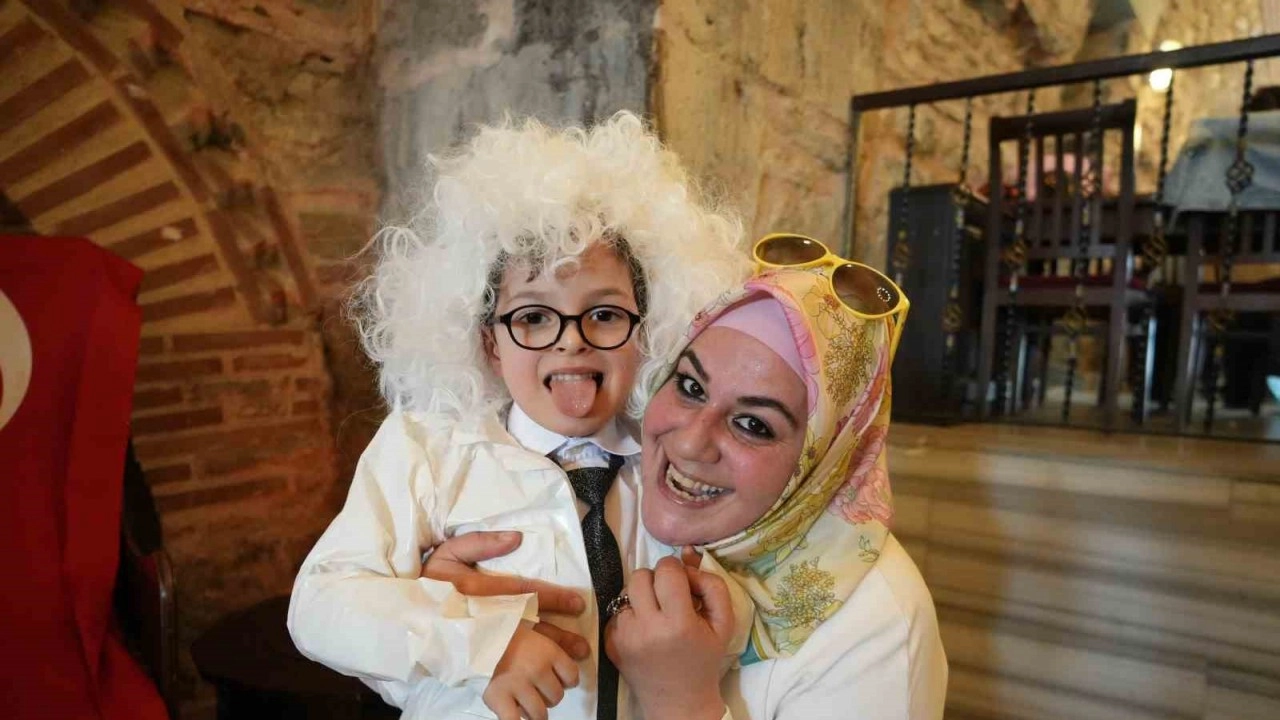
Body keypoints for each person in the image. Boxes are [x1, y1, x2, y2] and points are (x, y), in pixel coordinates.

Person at [287, 112, 750, 720]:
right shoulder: (428, 446)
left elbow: (742, 600)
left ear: (649, 331)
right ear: (490, 344)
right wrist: (480, 643)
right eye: (533, 317)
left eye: (605, 314)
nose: (571, 341)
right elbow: (321, 604)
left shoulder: (673, 459)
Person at [427, 235, 948, 720]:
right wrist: (440, 613)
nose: (689, 443)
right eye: (691, 386)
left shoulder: (877, 625)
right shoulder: (647, 503)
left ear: (825, 459)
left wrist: (679, 700)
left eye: (753, 424)